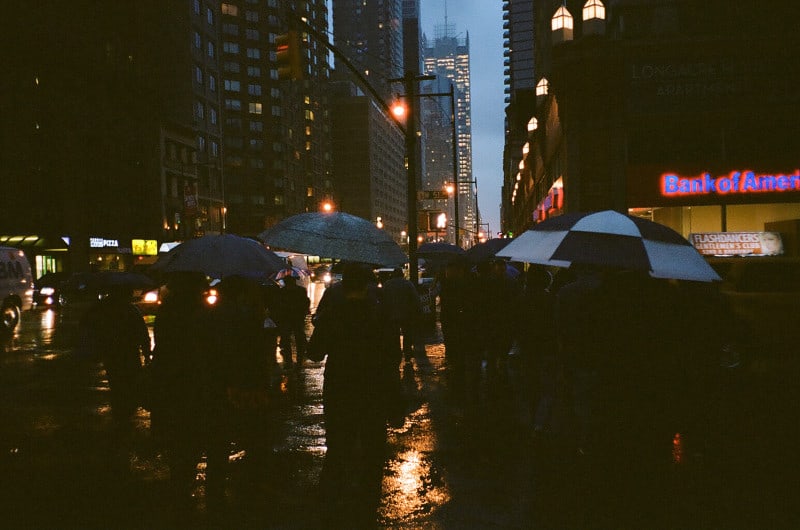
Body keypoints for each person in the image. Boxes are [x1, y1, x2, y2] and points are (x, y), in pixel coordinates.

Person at [307, 262, 401, 528]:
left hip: (340, 389)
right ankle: (367, 507)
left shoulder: (333, 315)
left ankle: (331, 505)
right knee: (373, 450)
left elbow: (314, 353)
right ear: (370, 285)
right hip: (373, 389)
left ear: (343, 285)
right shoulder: (381, 316)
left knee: (338, 447)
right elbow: (394, 355)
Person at [149, 272, 224, 513]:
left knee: (180, 440)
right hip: (198, 382)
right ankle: (212, 492)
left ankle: (180, 487)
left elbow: (162, 349)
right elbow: (210, 347)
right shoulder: (201, 312)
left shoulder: (167, 311)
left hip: (173, 383)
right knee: (208, 436)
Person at [79, 284, 151, 468]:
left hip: (111, 352)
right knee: (130, 378)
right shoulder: (130, 310)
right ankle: (126, 407)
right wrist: (146, 351)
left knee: (117, 379)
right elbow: (141, 332)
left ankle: (121, 405)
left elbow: (88, 325)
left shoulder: (103, 309)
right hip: (128, 352)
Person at [379, 267, 422, 364]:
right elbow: (415, 298)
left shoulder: (387, 285)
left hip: (391, 314)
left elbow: (382, 300)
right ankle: (407, 354)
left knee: (394, 335)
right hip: (406, 314)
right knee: (407, 334)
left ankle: (396, 353)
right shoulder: (408, 284)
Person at [277, 277, 311, 368]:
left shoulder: (282, 291)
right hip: (297, 317)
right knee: (299, 338)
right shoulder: (301, 290)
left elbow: (279, 304)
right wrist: (304, 311)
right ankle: (299, 360)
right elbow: (306, 302)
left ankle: (289, 361)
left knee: (286, 339)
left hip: (287, 318)